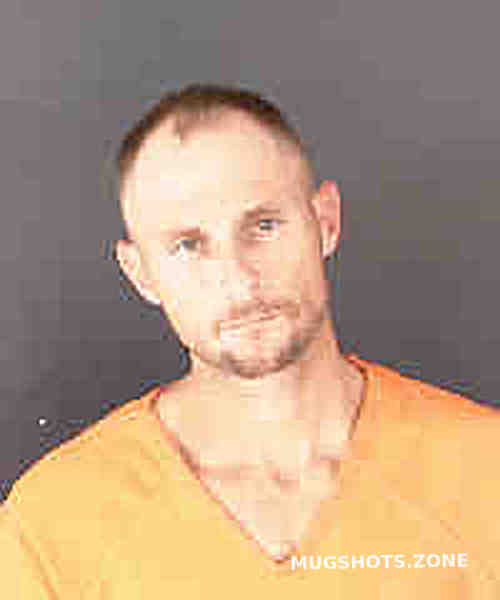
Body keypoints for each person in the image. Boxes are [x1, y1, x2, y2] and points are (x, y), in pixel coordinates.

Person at [1, 83, 499, 598]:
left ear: (325, 222)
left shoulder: (485, 471)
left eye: (264, 226)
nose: (239, 280)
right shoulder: (53, 522)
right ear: (140, 273)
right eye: (188, 246)